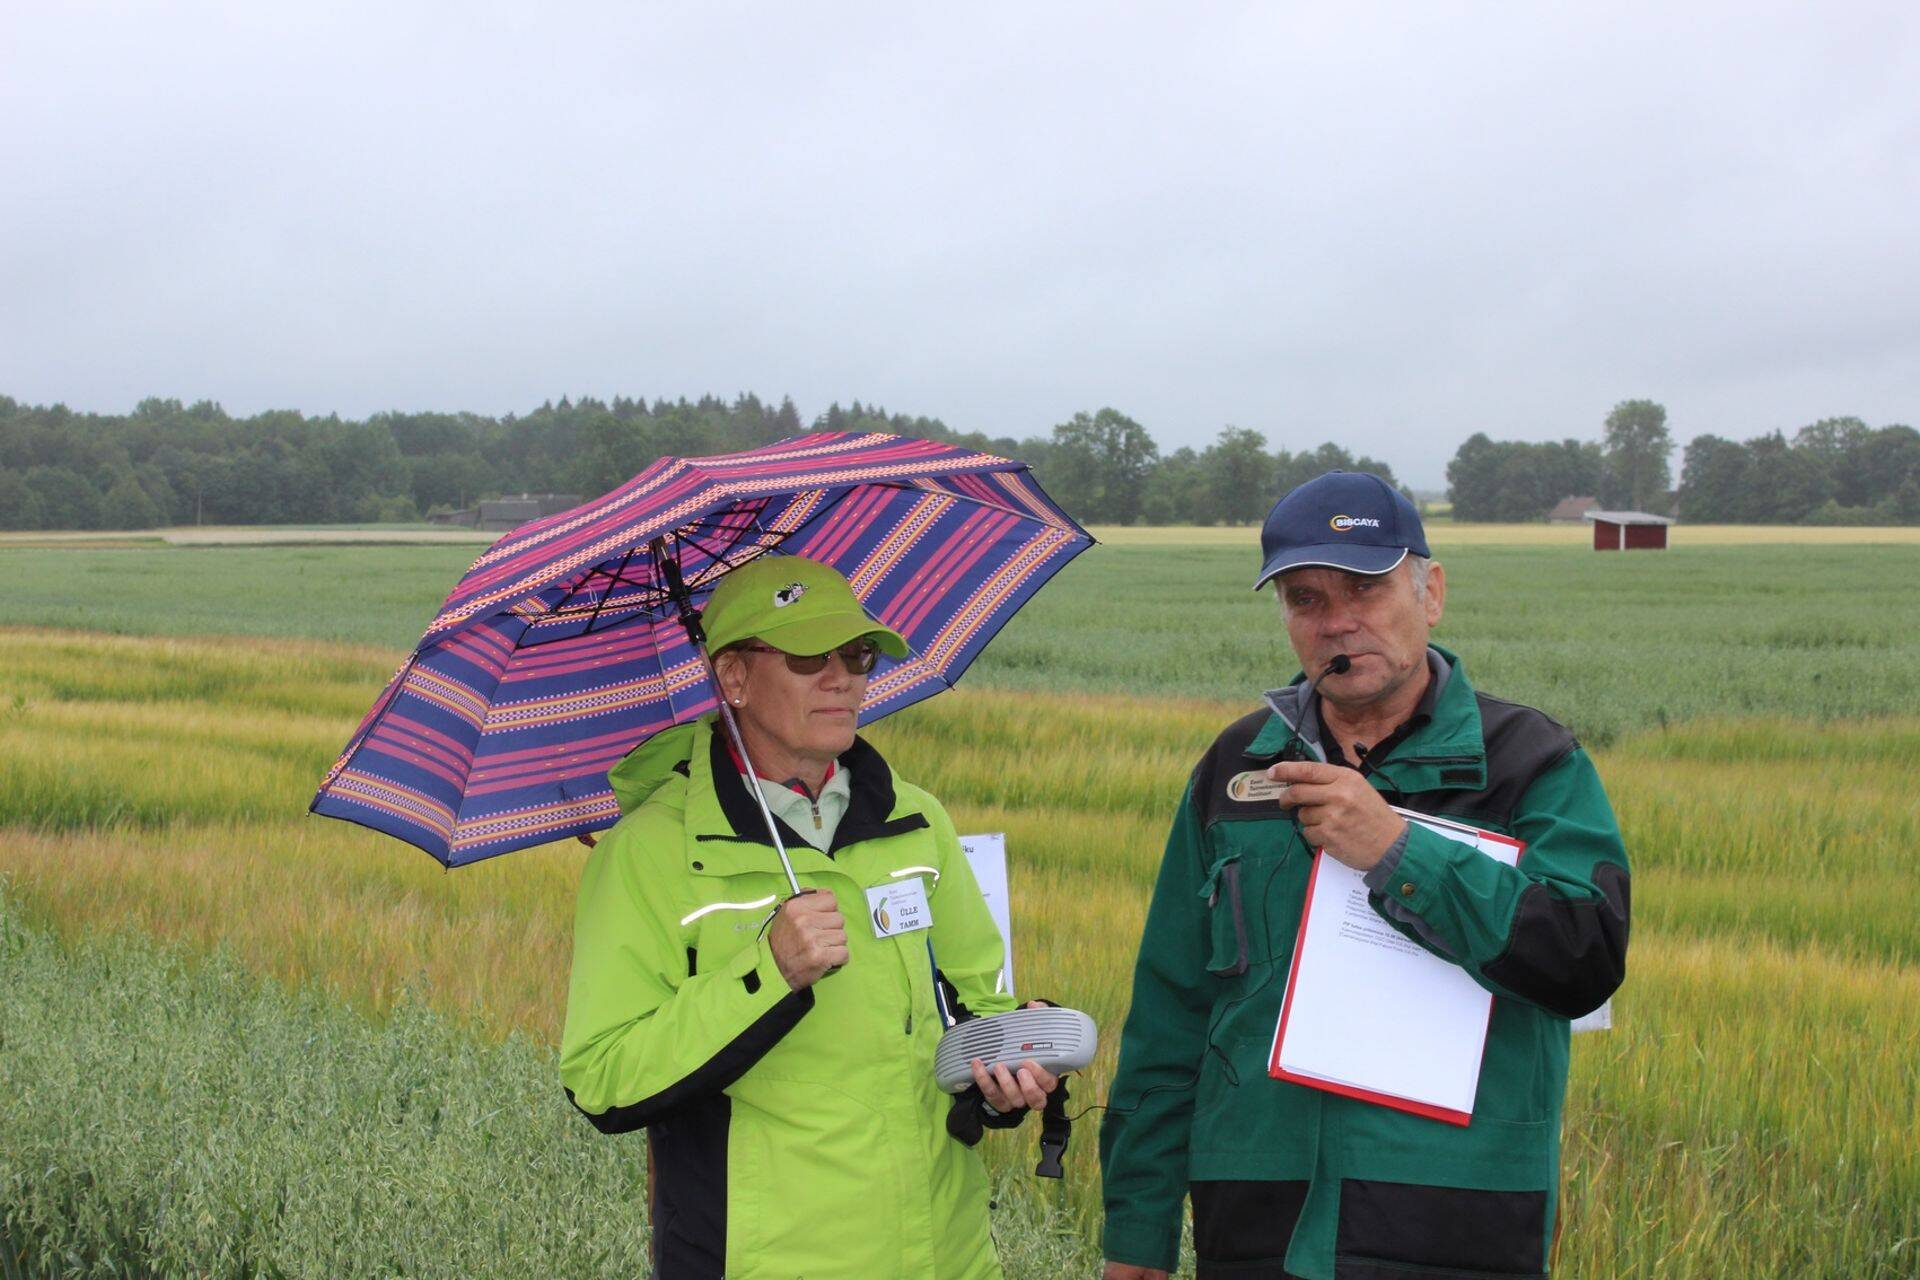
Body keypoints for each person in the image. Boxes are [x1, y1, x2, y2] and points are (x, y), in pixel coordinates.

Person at [1099, 471, 1630, 1280]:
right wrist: (1137, 1230)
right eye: (1305, 599)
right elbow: (1171, 1014)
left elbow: (1583, 959)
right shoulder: (1237, 770)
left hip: (1456, 1216)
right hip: (1254, 1217)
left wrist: (1397, 849)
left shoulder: (1530, 763)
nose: (1337, 621)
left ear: (1432, 593)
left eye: (1365, 589)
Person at [560, 555, 1058, 1280]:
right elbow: (604, 1079)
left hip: (945, 1257)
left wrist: (1008, 1074)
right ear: (732, 678)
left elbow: (974, 1010)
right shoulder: (650, 852)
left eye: (856, 656)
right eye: (805, 657)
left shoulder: (918, 823)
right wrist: (772, 973)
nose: (842, 679)